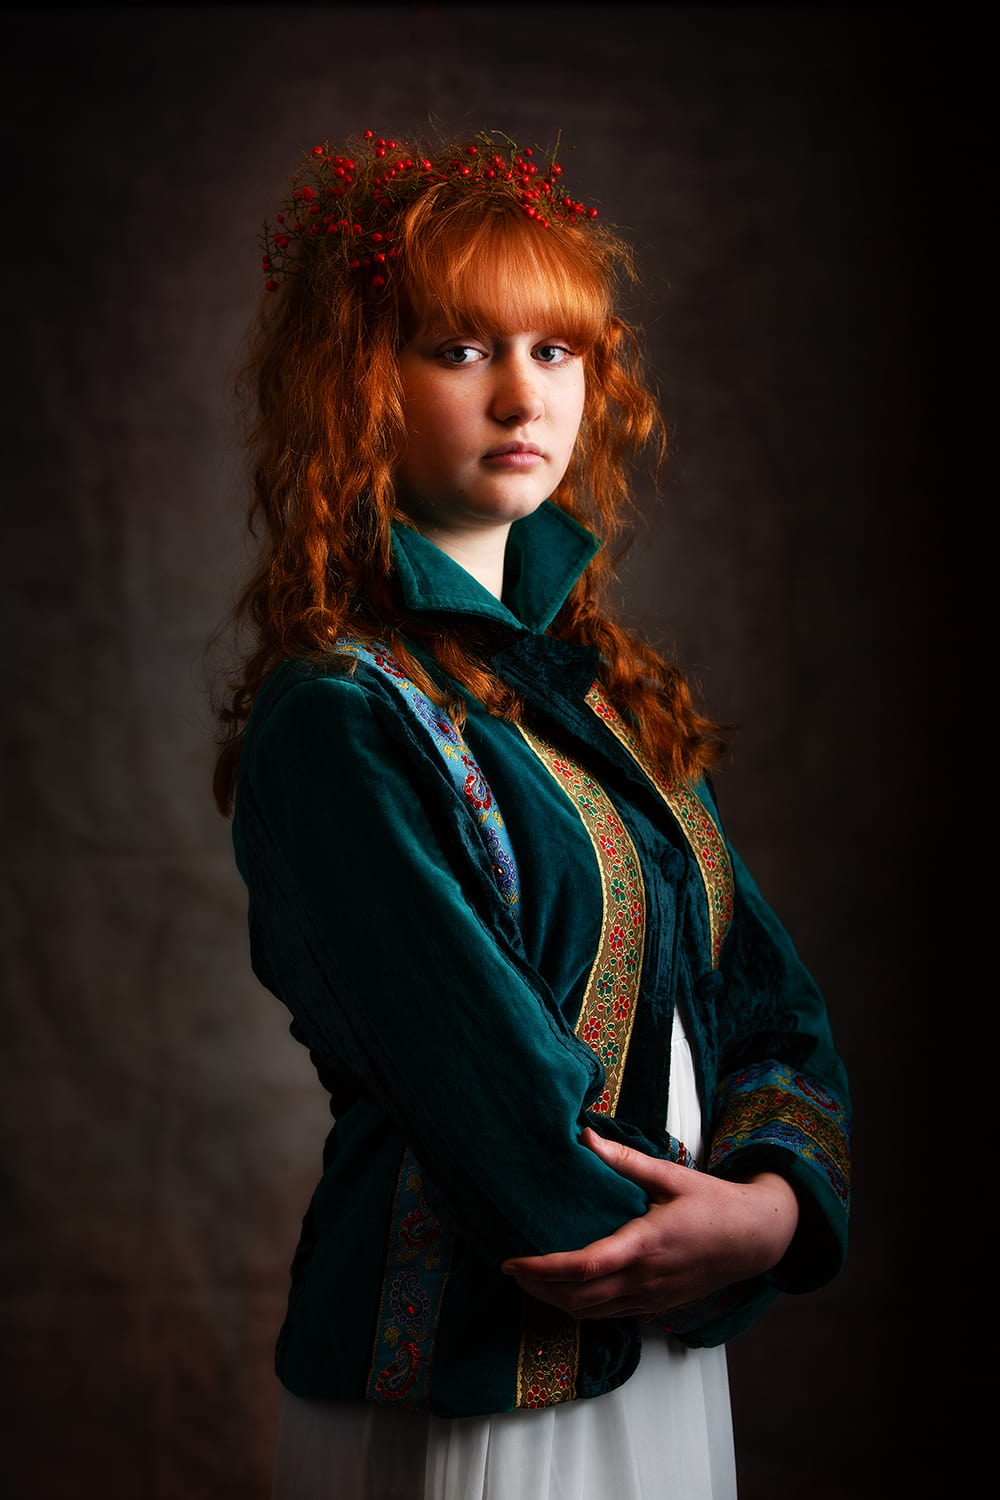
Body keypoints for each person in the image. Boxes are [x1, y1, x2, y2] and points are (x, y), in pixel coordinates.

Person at [215, 128, 851, 1500]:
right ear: (360, 383)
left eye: (554, 350)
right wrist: (703, 1248)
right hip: (478, 1383)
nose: (521, 394)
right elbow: (506, 1127)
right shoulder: (340, 719)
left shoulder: (611, 693)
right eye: (458, 348)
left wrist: (775, 1209)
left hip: (670, 1349)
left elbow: (772, 1009)